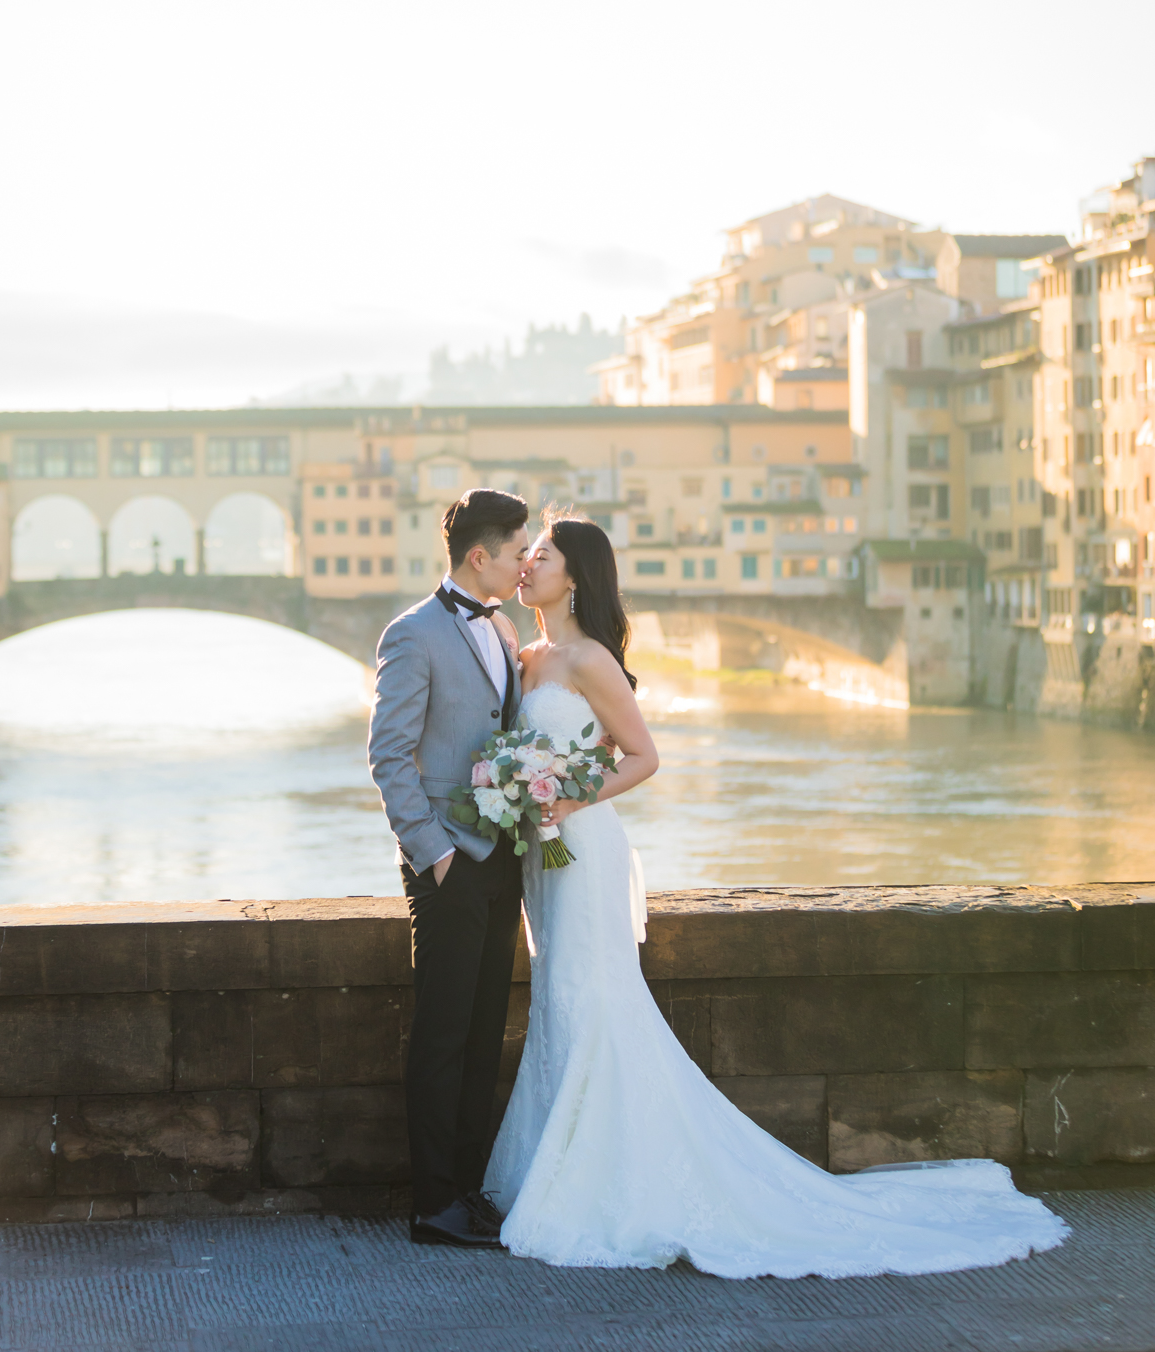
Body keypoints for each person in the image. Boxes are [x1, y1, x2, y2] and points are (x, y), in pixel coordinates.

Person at [485, 509, 1069, 1278]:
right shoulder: (525, 654)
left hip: (583, 849)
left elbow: (644, 757)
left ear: (577, 575)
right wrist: (525, 791)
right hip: (543, 858)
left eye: (545, 554)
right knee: (561, 1001)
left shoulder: (590, 659)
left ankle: (601, 1181)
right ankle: (554, 1171)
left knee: (590, 1000)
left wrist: (568, 795)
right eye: (526, 553)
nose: (528, 563)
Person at [367, 486, 530, 1249]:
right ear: (479, 556)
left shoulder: (504, 632)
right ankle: (434, 1204)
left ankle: (467, 1188)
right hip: (446, 865)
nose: (525, 562)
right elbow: (388, 757)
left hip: (502, 860)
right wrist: (432, 856)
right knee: (441, 1035)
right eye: (516, 551)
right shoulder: (413, 633)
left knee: (483, 1033)